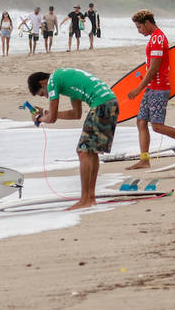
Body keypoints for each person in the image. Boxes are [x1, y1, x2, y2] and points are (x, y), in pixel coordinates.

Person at [27, 69, 119, 210]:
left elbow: (52, 119)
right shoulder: (67, 81)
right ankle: (90, 198)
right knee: (90, 152)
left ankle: (85, 200)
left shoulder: (52, 81)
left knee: (83, 151)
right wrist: (46, 112)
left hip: (101, 104)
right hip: (110, 102)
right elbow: (75, 114)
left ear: (42, 82)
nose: (46, 97)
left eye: (42, 93)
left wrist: (39, 118)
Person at [125, 9, 175, 170]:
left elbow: (153, 69)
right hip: (152, 88)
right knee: (141, 122)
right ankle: (144, 160)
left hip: (159, 88)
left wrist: (138, 88)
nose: (139, 32)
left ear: (147, 23)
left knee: (157, 126)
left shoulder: (158, 39)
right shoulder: (154, 38)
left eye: (139, 27)